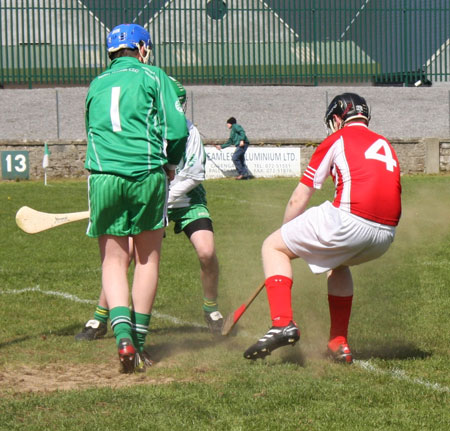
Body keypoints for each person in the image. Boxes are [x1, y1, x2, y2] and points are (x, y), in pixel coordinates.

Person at [243, 93, 401, 364]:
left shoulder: (335, 139)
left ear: (338, 117)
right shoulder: (384, 142)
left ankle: (282, 323)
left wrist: (286, 239)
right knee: (338, 264)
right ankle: (338, 343)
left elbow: (299, 197)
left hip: (351, 218)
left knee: (273, 246)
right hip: (386, 234)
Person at [77, 78, 223, 349]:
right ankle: (98, 318)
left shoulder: (190, 133)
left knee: (206, 251)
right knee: (125, 255)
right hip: (153, 200)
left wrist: (162, 197)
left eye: (180, 103)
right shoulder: (145, 131)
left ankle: (211, 307)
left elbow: (194, 174)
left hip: (186, 200)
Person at [84, 24, 188, 373]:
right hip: (146, 175)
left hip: (103, 177)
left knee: (113, 262)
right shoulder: (155, 76)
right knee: (146, 260)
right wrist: (171, 164)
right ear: (141, 47)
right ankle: (139, 342)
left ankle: (122, 336)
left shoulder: (96, 84)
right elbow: (178, 129)